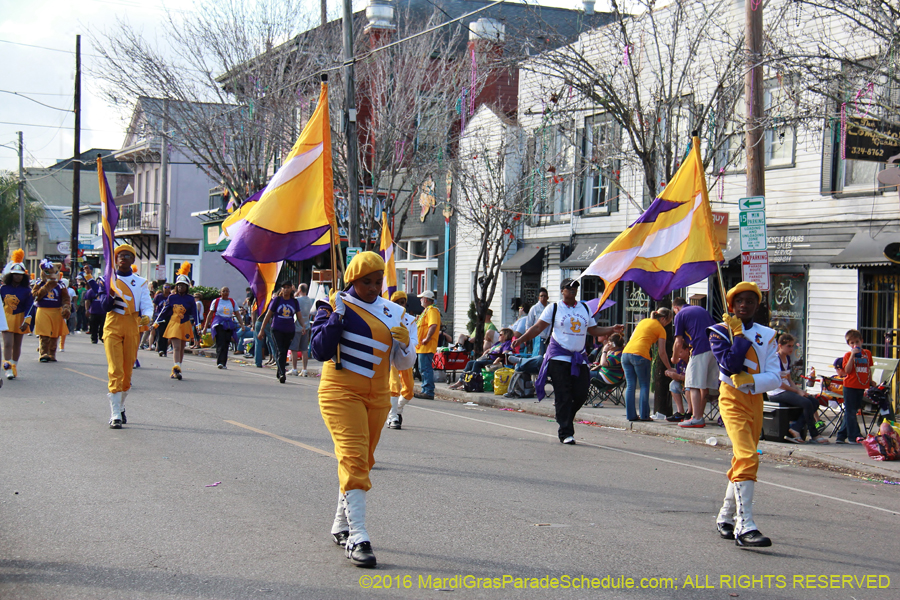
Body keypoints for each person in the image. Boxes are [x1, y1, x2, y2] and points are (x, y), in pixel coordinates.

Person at [309, 251, 414, 567]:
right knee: (353, 458)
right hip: (340, 393)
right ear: (353, 280)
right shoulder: (331, 305)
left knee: (363, 461)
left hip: (378, 397)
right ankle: (359, 537)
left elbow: (403, 363)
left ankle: (341, 523)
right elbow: (319, 351)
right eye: (366, 281)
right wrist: (336, 319)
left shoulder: (394, 312)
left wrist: (407, 343)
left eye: (378, 280)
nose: (373, 286)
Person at [709, 282, 781, 548]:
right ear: (732, 305)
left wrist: (752, 380)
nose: (744, 305)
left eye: (750, 301)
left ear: (757, 305)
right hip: (731, 399)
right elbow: (729, 364)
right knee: (749, 457)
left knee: (743, 458)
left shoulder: (769, 334)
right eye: (739, 301)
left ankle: (725, 517)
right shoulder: (719, 331)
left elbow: (775, 376)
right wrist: (738, 337)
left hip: (755, 401)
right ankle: (745, 525)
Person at [514, 278, 624, 444]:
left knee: (581, 393)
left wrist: (611, 329)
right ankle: (566, 432)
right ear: (562, 290)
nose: (573, 290)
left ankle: (564, 416)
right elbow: (537, 327)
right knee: (563, 394)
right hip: (559, 357)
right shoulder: (554, 308)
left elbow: (593, 329)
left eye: (575, 288)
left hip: (579, 357)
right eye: (569, 288)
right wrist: (521, 339)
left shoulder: (584, 308)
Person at [97, 244, 153, 428]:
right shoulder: (107, 279)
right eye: (120, 255)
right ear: (115, 259)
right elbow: (103, 306)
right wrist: (110, 294)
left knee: (127, 372)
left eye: (128, 255)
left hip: (132, 325)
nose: (123, 258)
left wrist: (147, 316)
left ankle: (120, 406)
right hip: (113, 324)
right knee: (115, 369)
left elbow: (147, 304)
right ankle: (114, 415)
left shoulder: (141, 282)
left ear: (133, 260)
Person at [769, 333, 829, 444]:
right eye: (789, 346)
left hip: (787, 390)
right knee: (806, 403)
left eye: (792, 346)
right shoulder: (775, 360)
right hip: (776, 392)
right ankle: (814, 435)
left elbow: (789, 379)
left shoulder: (787, 358)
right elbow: (779, 383)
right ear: (780, 346)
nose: (791, 348)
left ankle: (796, 428)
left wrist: (800, 391)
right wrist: (796, 391)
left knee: (814, 402)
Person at [671, 298, 720, 427]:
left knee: (693, 384)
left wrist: (674, 358)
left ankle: (697, 417)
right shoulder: (701, 310)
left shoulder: (680, 315)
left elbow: (679, 341)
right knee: (704, 386)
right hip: (713, 348)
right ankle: (699, 416)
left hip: (698, 348)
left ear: (675, 308)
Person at [622, 308, 673, 422]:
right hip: (641, 355)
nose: (666, 325)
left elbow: (631, 338)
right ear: (663, 319)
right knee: (644, 385)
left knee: (630, 385)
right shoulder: (661, 329)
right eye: (667, 322)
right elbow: (662, 352)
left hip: (626, 353)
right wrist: (669, 367)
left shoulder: (643, 321)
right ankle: (644, 415)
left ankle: (631, 415)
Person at [153, 264, 197, 380]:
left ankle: (178, 368)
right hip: (174, 324)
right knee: (176, 347)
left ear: (187, 287)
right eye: (179, 285)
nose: (181, 287)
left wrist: (198, 324)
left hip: (185, 323)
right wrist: (157, 321)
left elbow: (195, 313)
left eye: (183, 285)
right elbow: (164, 310)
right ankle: (176, 368)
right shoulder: (172, 298)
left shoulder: (190, 299)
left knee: (182, 348)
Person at [386, 290, 418, 429]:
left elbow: (414, 340)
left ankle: (397, 409)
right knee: (394, 386)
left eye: (402, 302)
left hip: (404, 357)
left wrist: (405, 343)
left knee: (409, 390)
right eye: (396, 302)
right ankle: (393, 418)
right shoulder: (386, 317)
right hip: (390, 357)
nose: (399, 305)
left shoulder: (410, 320)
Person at [258, 282, 300, 383]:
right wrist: (262, 329)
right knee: (280, 350)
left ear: (291, 289)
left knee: (284, 351)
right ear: (281, 289)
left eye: (288, 287)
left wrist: (303, 326)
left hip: (290, 330)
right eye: (284, 288)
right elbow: (268, 315)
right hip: (277, 329)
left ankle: (279, 371)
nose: (286, 290)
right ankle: (282, 373)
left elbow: (299, 315)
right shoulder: (276, 300)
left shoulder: (294, 302)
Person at [1, 249, 33, 380]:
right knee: (7, 343)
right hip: (6, 318)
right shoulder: (3, 289)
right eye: (15, 274)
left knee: (17, 345)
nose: (17, 276)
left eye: (20, 274)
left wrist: (26, 321)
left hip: (20, 318)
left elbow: (29, 307)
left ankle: (14, 366)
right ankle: (7, 368)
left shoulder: (27, 291)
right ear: (10, 275)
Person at [448, 328, 515, 390]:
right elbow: (491, 349)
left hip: (495, 362)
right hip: (487, 358)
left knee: (477, 364)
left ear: (506, 335)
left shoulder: (507, 343)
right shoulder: (498, 343)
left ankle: (471, 382)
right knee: (470, 363)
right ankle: (461, 381)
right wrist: (486, 352)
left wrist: (497, 360)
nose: (498, 336)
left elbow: (505, 353)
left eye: (501, 335)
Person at [32, 260, 71, 362]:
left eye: (55, 272)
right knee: (44, 333)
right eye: (49, 272)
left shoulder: (61, 285)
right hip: (43, 310)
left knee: (55, 333)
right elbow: (35, 296)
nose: (53, 275)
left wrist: (66, 307)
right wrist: (46, 287)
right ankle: (43, 352)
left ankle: (52, 353)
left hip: (56, 311)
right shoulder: (39, 283)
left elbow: (66, 298)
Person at [837, 329, 872, 444]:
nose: (855, 345)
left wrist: (870, 381)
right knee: (851, 411)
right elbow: (847, 371)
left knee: (851, 411)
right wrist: (852, 356)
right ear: (849, 344)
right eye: (852, 343)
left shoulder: (867, 353)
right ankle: (854, 436)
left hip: (861, 385)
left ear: (861, 341)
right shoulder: (847, 355)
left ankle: (841, 435)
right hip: (850, 386)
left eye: (857, 342)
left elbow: (868, 368)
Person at [414, 290, 441, 400]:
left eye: (421, 298)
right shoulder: (426, 311)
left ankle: (428, 391)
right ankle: (425, 390)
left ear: (426, 299)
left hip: (426, 345)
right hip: (422, 346)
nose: (420, 300)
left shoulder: (432, 311)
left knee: (425, 369)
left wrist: (427, 338)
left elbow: (433, 325)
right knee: (423, 369)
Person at [202, 286, 237, 370]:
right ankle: (220, 362)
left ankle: (224, 362)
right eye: (223, 291)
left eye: (227, 291)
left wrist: (242, 325)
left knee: (226, 343)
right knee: (220, 342)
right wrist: (205, 327)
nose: (225, 293)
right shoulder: (216, 301)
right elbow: (210, 314)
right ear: (220, 293)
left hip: (228, 324)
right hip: (219, 324)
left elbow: (237, 313)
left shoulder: (232, 302)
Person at [288, 283, 314, 376]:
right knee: (304, 350)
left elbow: (291, 301)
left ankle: (294, 369)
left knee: (294, 349)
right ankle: (304, 369)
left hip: (297, 326)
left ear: (300, 290)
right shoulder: (309, 300)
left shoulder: (297, 300)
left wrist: (295, 292)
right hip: (306, 326)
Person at [664, 346, 689, 420]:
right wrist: (672, 374)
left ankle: (691, 411)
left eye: (680, 352)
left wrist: (678, 376)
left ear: (687, 350)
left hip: (694, 387)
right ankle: (680, 412)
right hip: (683, 384)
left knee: (689, 386)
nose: (678, 355)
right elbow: (680, 374)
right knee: (673, 384)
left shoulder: (692, 361)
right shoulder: (680, 361)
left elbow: (693, 378)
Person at [525, 287, 550, 355]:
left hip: (549, 337)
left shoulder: (550, 308)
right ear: (538, 297)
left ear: (547, 297)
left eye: (545, 296)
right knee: (538, 357)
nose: (543, 298)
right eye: (541, 296)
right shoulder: (534, 308)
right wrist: (527, 337)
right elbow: (529, 324)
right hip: (538, 337)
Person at [84, 275, 107, 344]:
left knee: (103, 326)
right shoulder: (91, 291)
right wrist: (87, 310)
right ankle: (94, 338)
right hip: (94, 312)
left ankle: (101, 337)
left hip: (103, 312)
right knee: (94, 326)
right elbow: (87, 301)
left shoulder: (106, 290)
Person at [153, 283, 172, 356]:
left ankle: (165, 350)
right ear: (163, 288)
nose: (167, 289)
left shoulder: (171, 296)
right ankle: (160, 350)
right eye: (165, 287)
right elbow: (154, 305)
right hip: (160, 317)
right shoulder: (159, 296)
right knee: (160, 333)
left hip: (168, 317)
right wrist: (153, 316)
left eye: (168, 287)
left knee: (166, 334)